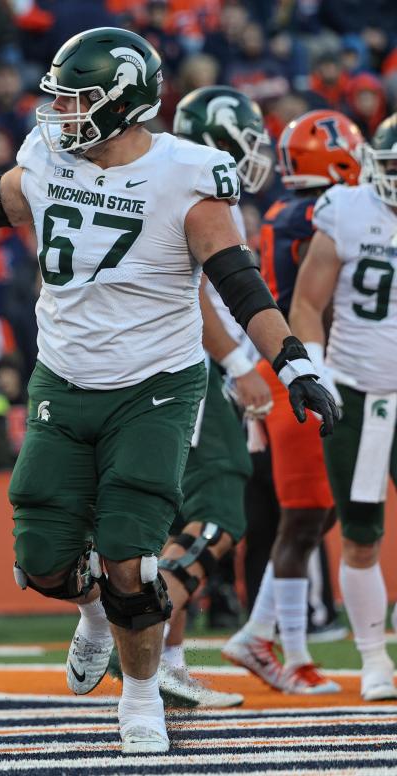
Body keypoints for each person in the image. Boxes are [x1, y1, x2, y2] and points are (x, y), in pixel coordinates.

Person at [0, 27, 339, 753]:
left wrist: (294, 362)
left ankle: (141, 700)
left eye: (79, 97)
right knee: (42, 561)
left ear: (125, 103)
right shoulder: (49, 157)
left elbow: (237, 282)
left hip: (156, 384)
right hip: (64, 377)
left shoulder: (187, 172)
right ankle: (93, 615)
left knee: (130, 552)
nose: (60, 110)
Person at [224, 109, 365, 695]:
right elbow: (321, 302)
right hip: (305, 367)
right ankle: (288, 649)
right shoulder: (321, 214)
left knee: (319, 514)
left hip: (290, 364)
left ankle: (258, 632)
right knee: (305, 518)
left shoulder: (287, 210)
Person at [142, 85, 274, 709]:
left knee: (169, 519)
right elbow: (196, 297)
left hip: (141, 370)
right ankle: (133, 624)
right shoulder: (201, 190)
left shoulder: (158, 175)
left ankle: (164, 664)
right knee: (222, 504)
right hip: (185, 367)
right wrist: (240, 362)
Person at [288, 112, 397, 702]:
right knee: (360, 534)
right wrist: (315, 368)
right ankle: (374, 657)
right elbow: (307, 302)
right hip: (357, 386)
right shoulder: (348, 210)